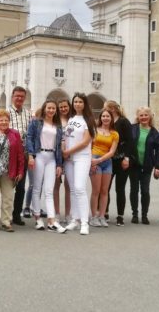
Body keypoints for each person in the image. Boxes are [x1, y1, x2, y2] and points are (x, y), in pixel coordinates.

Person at [26, 100, 65, 233]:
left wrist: (60, 164)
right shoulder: (36, 122)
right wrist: (31, 155)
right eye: (49, 108)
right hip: (39, 155)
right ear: (44, 108)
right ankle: (37, 218)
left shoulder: (58, 126)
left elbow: (59, 146)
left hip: (52, 157)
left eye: (53, 108)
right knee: (37, 188)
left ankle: (51, 221)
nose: (51, 110)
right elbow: (29, 137)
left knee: (49, 190)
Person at [62, 92, 96, 235]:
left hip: (81, 157)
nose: (77, 104)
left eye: (80, 102)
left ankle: (84, 222)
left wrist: (69, 151)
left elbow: (85, 142)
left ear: (85, 104)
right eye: (75, 102)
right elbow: (65, 137)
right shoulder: (71, 119)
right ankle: (75, 220)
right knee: (73, 190)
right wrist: (64, 150)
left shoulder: (88, 120)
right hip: (69, 159)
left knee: (80, 188)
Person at [128, 107, 159, 225]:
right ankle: (135, 214)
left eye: (145, 115)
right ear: (138, 117)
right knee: (134, 190)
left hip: (147, 165)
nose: (143, 117)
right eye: (141, 115)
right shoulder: (132, 129)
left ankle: (144, 215)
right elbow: (127, 144)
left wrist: (158, 167)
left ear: (150, 117)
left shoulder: (154, 132)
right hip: (134, 165)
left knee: (145, 191)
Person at [104, 100, 133, 226]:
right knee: (105, 188)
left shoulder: (123, 121)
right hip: (108, 159)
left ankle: (120, 216)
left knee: (120, 189)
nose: (104, 110)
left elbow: (130, 141)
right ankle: (104, 212)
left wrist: (127, 158)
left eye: (105, 108)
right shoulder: (107, 121)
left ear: (113, 109)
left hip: (121, 159)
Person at [89, 109, 119, 227]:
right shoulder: (95, 130)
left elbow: (112, 151)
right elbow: (89, 146)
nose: (105, 118)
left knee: (104, 191)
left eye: (108, 116)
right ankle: (93, 217)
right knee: (96, 191)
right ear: (100, 118)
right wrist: (93, 161)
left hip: (106, 161)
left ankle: (102, 216)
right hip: (94, 160)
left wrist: (100, 160)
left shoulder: (114, 134)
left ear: (111, 118)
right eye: (103, 116)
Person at [8, 86, 32, 226]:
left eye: (22, 97)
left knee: (21, 186)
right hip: (9, 153)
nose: (19, 99)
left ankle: (16, 214)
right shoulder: (5, 113)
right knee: (6, 186)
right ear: (12, 96)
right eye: (17, 96)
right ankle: (5, 214)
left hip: (23, 153)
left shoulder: (28, 114)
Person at [53, 98, 72, 223]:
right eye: (61, 107)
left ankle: (68, 214)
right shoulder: (55, 121)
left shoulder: (72, 121)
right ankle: (56, 213)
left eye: (65, 106)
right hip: (56, 155)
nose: (63, 109)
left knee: (69, 186)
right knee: (56, 185)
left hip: (70, 155)